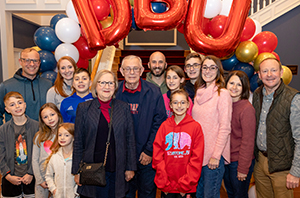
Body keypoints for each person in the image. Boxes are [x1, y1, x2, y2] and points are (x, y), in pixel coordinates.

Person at [72, 70, 137, 198]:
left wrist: (130, 167)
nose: (106, 87)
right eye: (102, 83)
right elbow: (78, 141)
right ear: (96, 85)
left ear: (115, 87)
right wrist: (77, 171)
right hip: (92, 170)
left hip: (117, 169)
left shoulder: (123, 107)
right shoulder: (84, 108)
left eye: (110, 83)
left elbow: (130, 139)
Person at [116, 55, 167, 198]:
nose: (132, 72)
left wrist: (149, 150)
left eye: (135, 69)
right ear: (121, 71)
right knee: (126, 195)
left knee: (147, 194)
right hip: (123, 157)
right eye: (128, 69)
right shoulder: (115, 92)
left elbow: (159, 123)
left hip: (147, 156)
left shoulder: (154, 91)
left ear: (142, 70)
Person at [252, 57, 300, 198]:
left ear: (281, 72)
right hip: (260, 162)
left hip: (282, 168)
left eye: (273, 70)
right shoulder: (257, 94)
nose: (269, 75)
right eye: (265, 71)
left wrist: (296, 171)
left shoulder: (293, 98)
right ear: (259, 75)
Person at [192, 55, 232, 198]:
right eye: (205, 67)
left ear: (218, 71)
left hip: (213, 157)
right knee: (199, 194)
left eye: (212, 67)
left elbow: (225, 128)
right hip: (198, 155)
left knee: (211, 195)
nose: (208, 71)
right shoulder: (199, 93)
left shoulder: (223, 94)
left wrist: (215, 156)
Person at [153, 89, 204, 198]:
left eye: (182, 102)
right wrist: (164, 183)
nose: (179, 105)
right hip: (167, 186)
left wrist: (185, 185)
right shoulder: (164, 127)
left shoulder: (195, 127)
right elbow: (157, 157)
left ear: (188, 105)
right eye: (175, 102)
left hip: (186, 188)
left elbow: (196, 159)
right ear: (170, 105)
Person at [223, 70, 256, 198]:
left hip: (239, 161)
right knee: (230, 193)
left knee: (239, 195)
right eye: (231, 83)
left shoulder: (246, 108)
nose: (234, 87)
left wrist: (242, 168)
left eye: (239, 84)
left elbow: (248, 141)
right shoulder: (225, 105)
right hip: (227, 159)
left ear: (244, 88)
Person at [0, 91, 39, 198]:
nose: (17, 106)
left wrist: (31, 173)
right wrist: (7, 175)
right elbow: (0, 155)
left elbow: (40, 153)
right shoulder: (3, 130)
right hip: (10, 178)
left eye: (19, 102)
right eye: (12, 104)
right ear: (7, 110)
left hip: (32, 177)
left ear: (25, 105)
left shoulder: (37, 127)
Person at [0, 48, 52, 125]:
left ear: (39, 62)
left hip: (44, 135)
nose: (32, 64)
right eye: (27, 60)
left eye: (35, 60)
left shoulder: (48, 84)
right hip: (17, 136)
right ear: (20, 61)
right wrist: (3, 133)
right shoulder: (6, 86)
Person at [32, 103, 63, 198]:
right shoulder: (39, 136)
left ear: (58, 114)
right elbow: (35, 159)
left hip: (59, 178)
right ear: (42, 120)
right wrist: (40, 180)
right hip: (42, 178)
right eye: (45, 117)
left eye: (52, 114)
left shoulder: (65, 134)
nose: (50, 119)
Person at [45, 123, 78, 198]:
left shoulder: (78, 157)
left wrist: (76, 192)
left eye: (66, 135)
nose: (62, 138)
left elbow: (82, 178)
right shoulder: (54, 156)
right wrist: (53, 189)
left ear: (73, 137)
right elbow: (48, 175)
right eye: (60, 135)